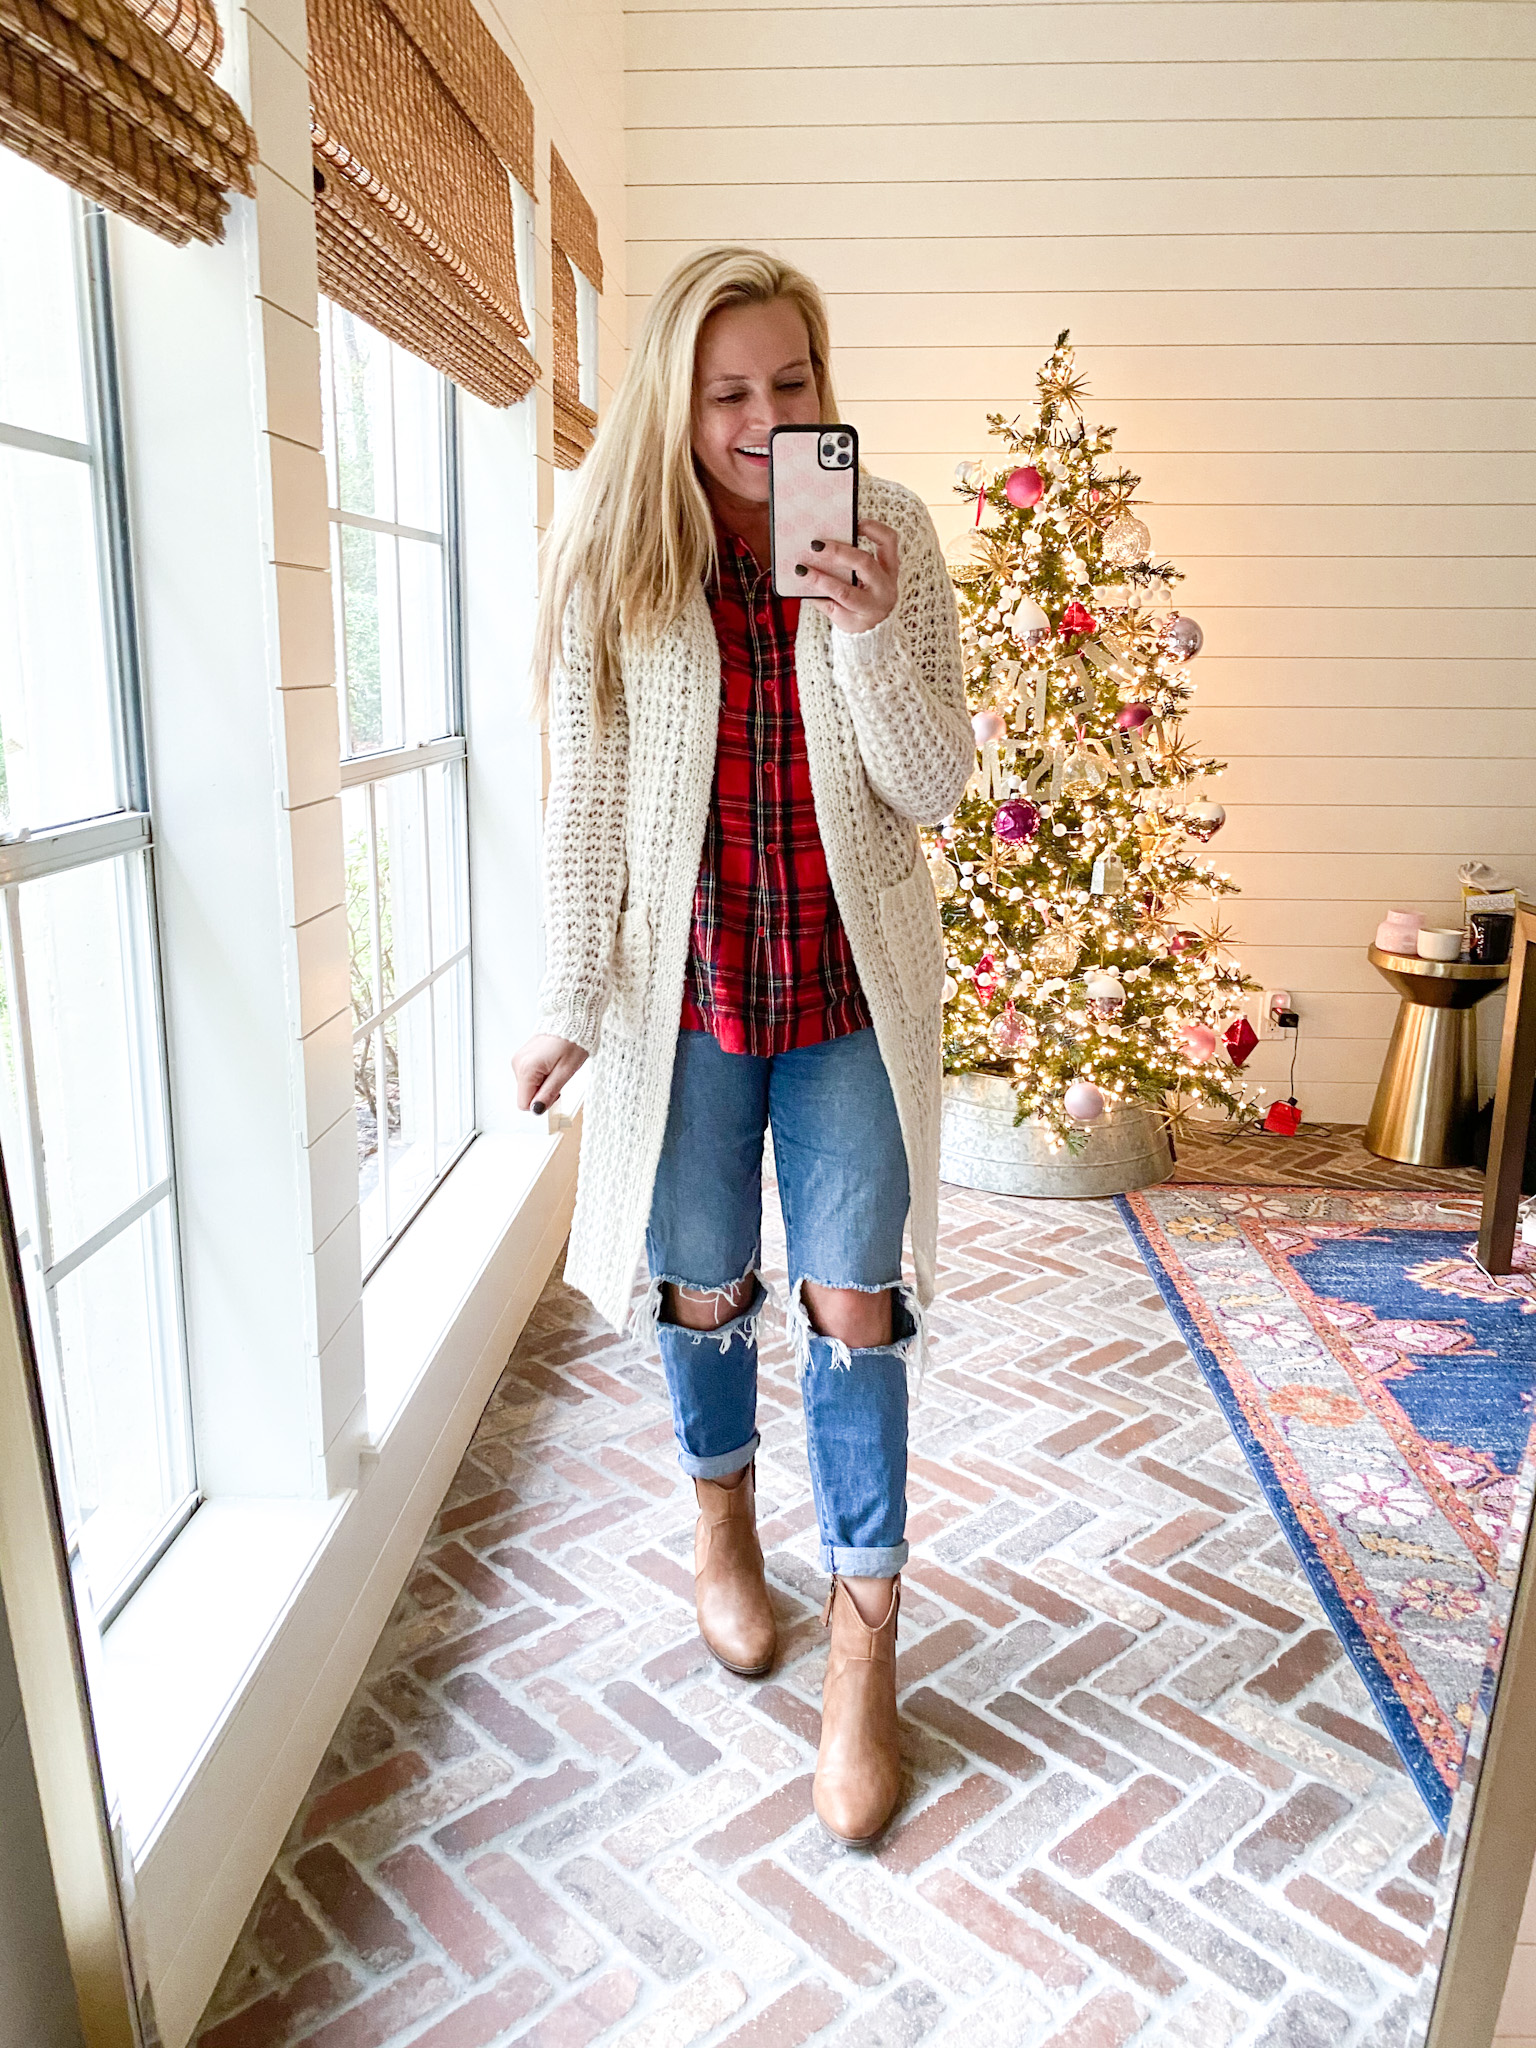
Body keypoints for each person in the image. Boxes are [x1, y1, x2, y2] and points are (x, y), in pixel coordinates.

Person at [513, 245, 971, 1844]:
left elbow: (932, 787)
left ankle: (864, 1656)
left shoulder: (892, 531)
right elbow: (585, 798)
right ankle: (723, 1534)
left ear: (823, 390)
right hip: (684, 999)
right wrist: (572, 1000)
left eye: (791, 386)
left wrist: (863, 630)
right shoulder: (616, 550)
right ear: (675, 396)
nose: (764, 418)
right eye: (730, 392)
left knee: (857, 1305)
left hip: (850, 991)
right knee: (699, 1282)